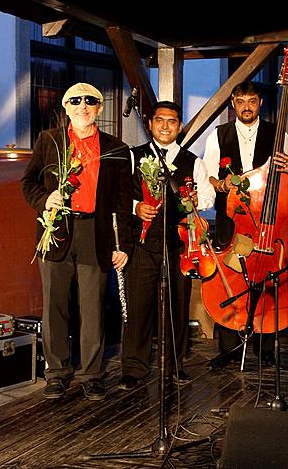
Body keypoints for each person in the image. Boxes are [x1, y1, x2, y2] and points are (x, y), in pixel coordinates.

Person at [21, 82, 132, 401]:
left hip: (94, 233)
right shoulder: (48, 140)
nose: (83, 106)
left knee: (93, 306)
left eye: (91, 101)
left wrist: (121, 243)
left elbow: (124, 200)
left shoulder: (116, 148)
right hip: (55, 231)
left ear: (99, 108)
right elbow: (27, 182)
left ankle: (92, 374)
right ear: (66, 108)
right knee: (54, 306)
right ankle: (56, 372)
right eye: (75, 101)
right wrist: (45, 199)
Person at [118, 101, 215, 390]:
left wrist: (199, 201)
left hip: (178, 244)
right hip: (142, 243)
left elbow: (208, 196)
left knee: (177, 305)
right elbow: (118, 195)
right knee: (138, 307)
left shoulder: (193, 161)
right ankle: (134, 368)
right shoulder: (134, 157)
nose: (164, 126)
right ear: (150, 123)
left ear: (180, 126)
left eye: (171, 121)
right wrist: (136, 207)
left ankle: (175, 365)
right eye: (159, 120)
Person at [201, 81, 288, 369]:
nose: (246, 106)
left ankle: (265, 349)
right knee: (231, 279)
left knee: (268, 280)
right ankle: (228, 348)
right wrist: (221, 183)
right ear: (233, 103)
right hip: (232, 222)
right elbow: (208, 178)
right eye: (241, 101)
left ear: (260, 103)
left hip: (266, 222)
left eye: (252, 101)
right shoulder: (218, 135)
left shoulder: (279, 134)